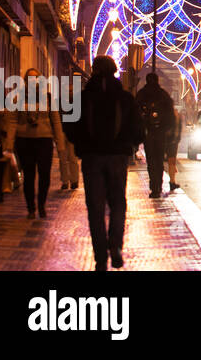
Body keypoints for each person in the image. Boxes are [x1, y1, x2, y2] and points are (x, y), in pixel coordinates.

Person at [64, 56, 144, 271]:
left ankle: (100, 256)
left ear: (94, 70)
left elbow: (69, 126)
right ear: (115, 71)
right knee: (118, 203)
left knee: (95, 207)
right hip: (118, 158)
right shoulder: (126, 98)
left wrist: (81, 145)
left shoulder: (82, 98)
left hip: (92, 158)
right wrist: (129, 145)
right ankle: (116, 246)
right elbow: (138, 129)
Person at [14, 68, 67, 219]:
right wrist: (9, 143)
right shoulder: (19, 98)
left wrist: (60, 143)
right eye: (30, 78)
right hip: (24, 140)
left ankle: (42, 204)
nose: (33, 81)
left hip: (44, 139)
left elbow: (56, 120)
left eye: (36, 78)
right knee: (29, 176)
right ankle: (31, 207)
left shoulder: (48, 98)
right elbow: (12, 120)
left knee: (45, 174)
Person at [135, 73, 176, 198]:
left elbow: (135, 113)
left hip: (148, 132)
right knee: (159, 160)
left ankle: (154, 186)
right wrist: (167, 129)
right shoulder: (163, 95)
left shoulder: (142, 94)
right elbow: (171, 116)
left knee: (151, 161)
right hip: (160, 133)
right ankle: (158, 185)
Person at [59, 75, 83, 191]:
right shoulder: (60, 102)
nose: (70, 92)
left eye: (71, 90)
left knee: (72, 158)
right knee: (63, 158)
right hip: (62, 132)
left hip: (73, 133)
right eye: (68, 90)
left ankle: (74, 180)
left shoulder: (78, 103)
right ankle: (64, 181)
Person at [165, 109, 183, 192]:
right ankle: (172, 181)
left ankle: (171, 181)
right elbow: (178, 129)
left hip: (168, 140)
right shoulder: (176, 114)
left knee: (170, 162)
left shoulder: (170, 113)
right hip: (172, 141)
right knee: (171, 162)